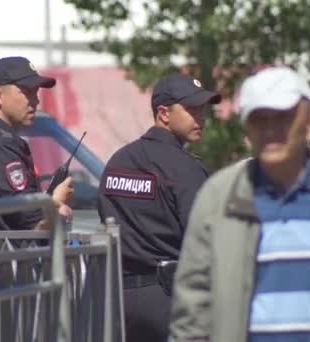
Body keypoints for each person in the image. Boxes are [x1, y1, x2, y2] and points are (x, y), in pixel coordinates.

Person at [169, 67, 310, 342]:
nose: (270, 130)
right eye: (259, 119)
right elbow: (192, 303)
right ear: (246, 130)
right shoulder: (218, 199)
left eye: (283, 118)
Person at [0, 56, 74, 342]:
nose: (36, 101)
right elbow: (32, 225)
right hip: (11, 280)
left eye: (37, 92)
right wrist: (55, 205)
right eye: (27, 92)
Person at [98, 74, 221, 342]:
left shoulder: (118, 161)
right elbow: (206, 238)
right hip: (169, 299)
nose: (201, 118)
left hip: (119, 300)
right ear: (163, 113)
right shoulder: (185, 168)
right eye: (191, 109)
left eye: (202, 109)